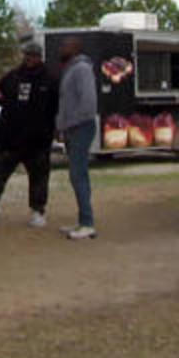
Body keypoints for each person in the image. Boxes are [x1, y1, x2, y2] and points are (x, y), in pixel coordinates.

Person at [0, 42, 59, 228]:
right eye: (27, 55)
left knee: (39, 176)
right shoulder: (12, 77)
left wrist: (54, 130)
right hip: (9, 136)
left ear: (40, 57)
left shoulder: (50, 79)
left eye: (34, 55)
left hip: (38, 139)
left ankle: (37, 212)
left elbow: (57, 107)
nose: (30, 58)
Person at [56, 36, 98, 240]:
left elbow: (88, 102)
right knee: (79, 175)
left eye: (66, 45)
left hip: (81, 127)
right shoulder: (71, 68)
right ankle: (83, 220)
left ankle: (87, 224)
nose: (62, 47)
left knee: (77, 175)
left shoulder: (81, 69)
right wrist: (61, 126)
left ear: (75, 48)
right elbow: (66, 103)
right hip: (73, 127)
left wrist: (73, 125)